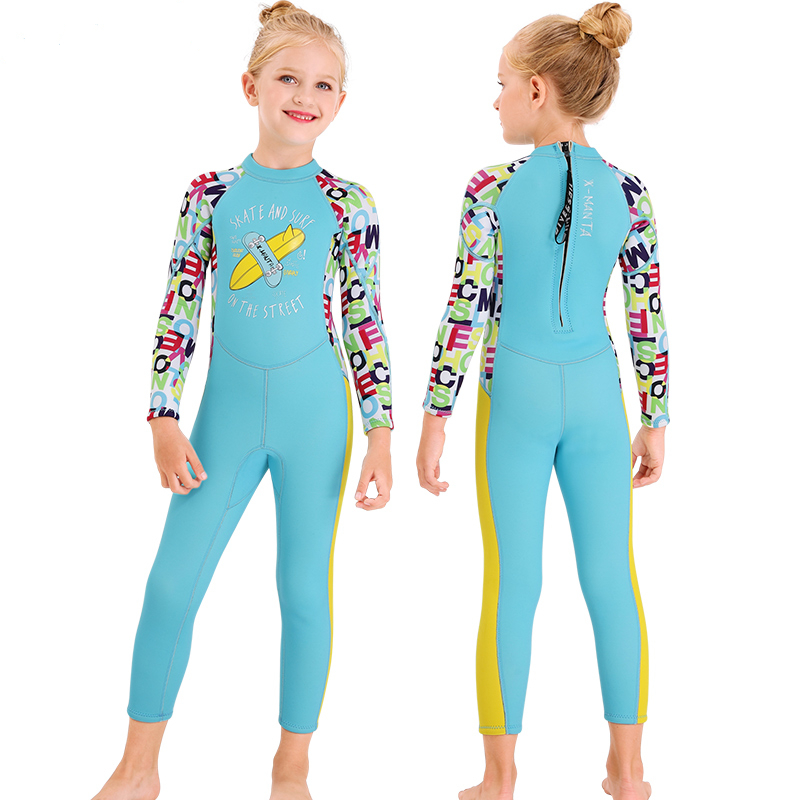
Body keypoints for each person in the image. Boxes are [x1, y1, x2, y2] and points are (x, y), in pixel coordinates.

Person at [91, 3, 393, 798]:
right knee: (171, 584)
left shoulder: (348, 202)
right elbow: (179, 309)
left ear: (341, 101)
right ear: (251, 86)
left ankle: (292, 765)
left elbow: (363, 318)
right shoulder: (209, 194)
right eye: (288, 77)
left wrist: (381, 433)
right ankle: (138, 766)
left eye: (323, 84)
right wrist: (162, 416)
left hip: (316, 417)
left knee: (303, 591)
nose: (304, 96)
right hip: (222, 417)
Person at [416, 4, 668, 799]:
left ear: (535, 89)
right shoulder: (629, 190)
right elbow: (645, 313)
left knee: (511, 583)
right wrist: (656, 418)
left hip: (514, 401)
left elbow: (466, 308)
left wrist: (434, 418)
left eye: (499, 85)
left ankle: (499, 778)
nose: (494, 100)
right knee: (613, 579)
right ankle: (628, 771)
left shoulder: (492, 188)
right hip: (599, 398)